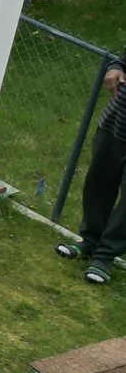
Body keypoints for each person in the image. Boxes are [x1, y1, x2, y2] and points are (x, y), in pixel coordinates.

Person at [60, 58, 126, 286]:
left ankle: (105, 256)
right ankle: (90, 241)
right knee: (98, 182)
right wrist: (115, 67)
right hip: (117, 120)